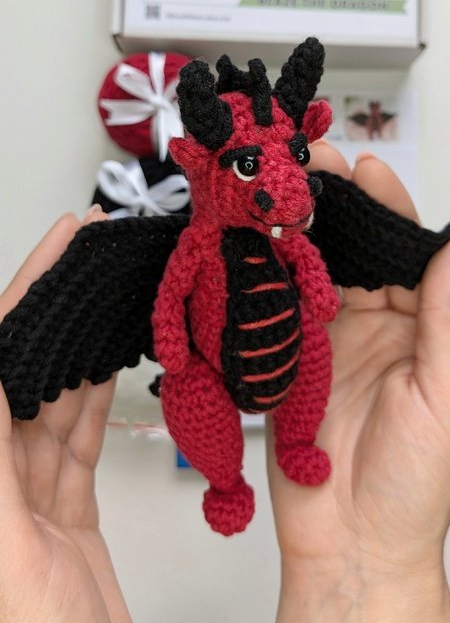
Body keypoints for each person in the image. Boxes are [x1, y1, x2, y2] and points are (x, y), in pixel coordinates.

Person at [0, 145, 450, 623]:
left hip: (288, 355)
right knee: (187, 390)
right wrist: (172, 343)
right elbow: (170, 294)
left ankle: (296, 444)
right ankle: (226, 485)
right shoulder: (193, 245)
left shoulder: (283, 232)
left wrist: (320, 292)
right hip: (218, 369)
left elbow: (307, 261)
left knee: (317, 344)